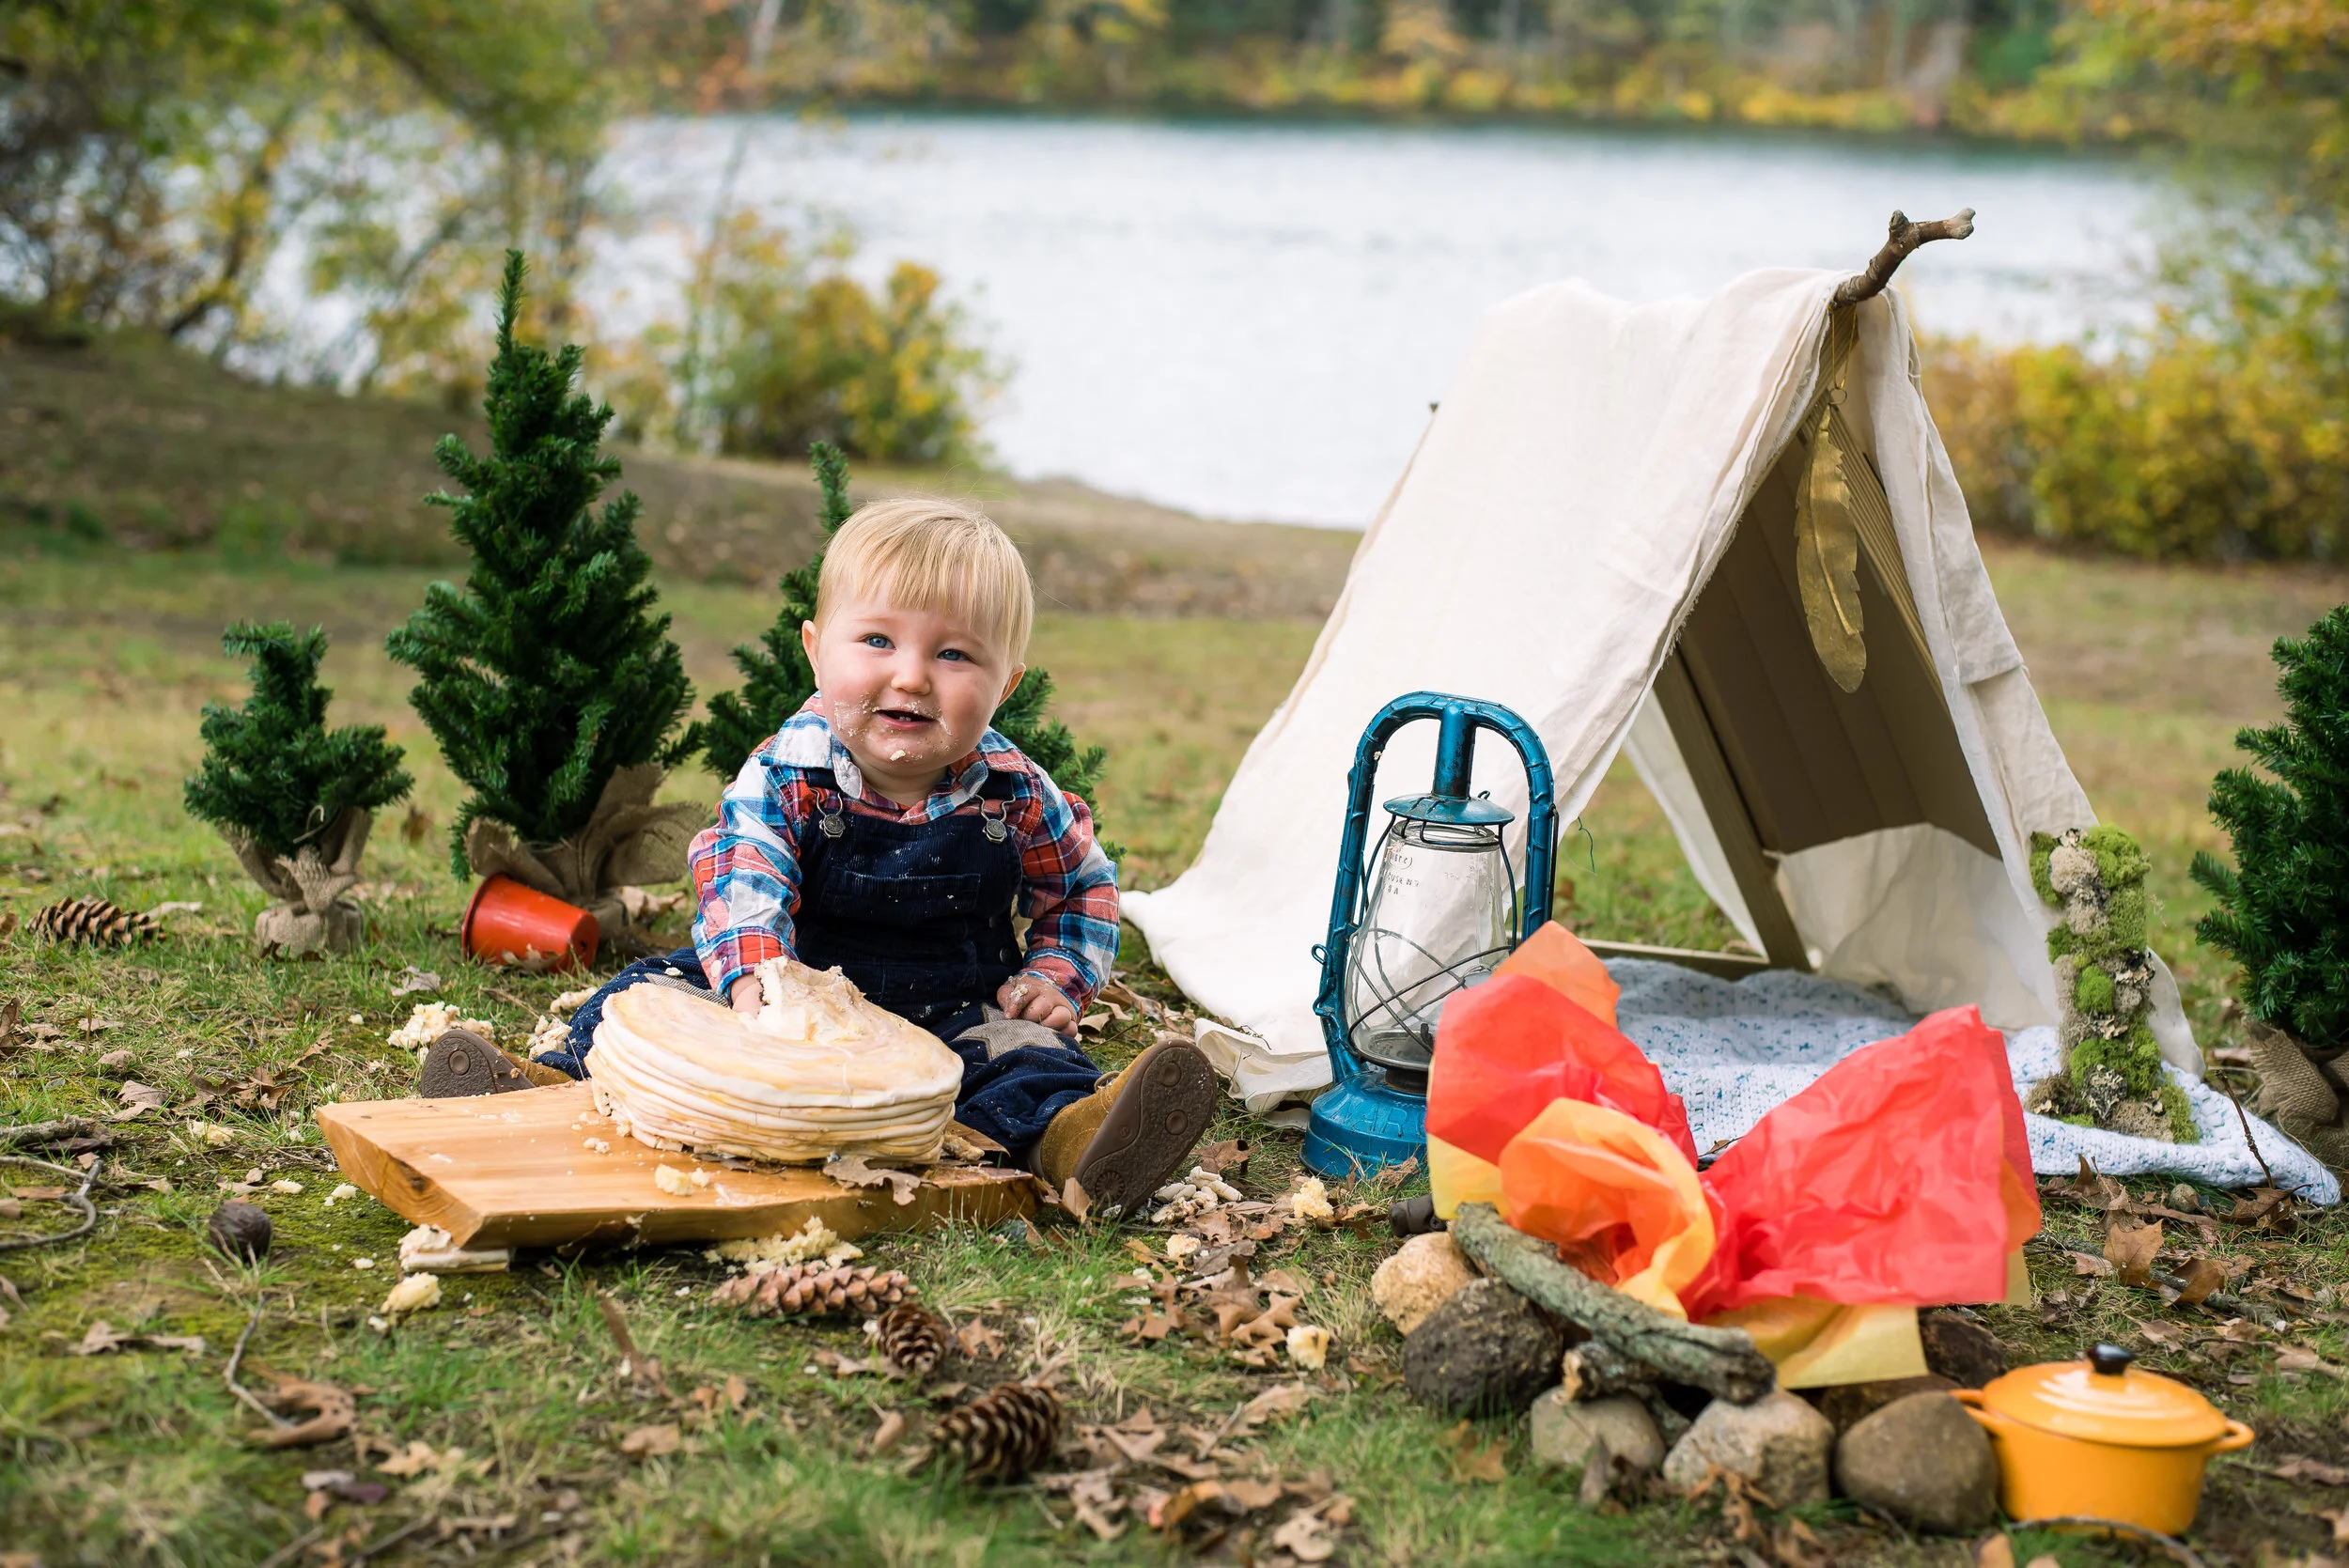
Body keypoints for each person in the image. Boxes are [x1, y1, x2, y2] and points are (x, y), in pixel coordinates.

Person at [547, 496, 1218, 1219]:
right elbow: (743, 877)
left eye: (953, 654)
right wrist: (755, 982)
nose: (912, 676)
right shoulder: (785, 774)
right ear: (815, 648)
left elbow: (1083, 886)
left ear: (1006, 684)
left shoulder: (1016, 792)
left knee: (1028, 1057)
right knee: (647, 995)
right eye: (876, 640)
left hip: (952, 1014)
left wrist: (1055, 976)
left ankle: (1072, 1144)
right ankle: (550, 1091)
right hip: (789, 1006)